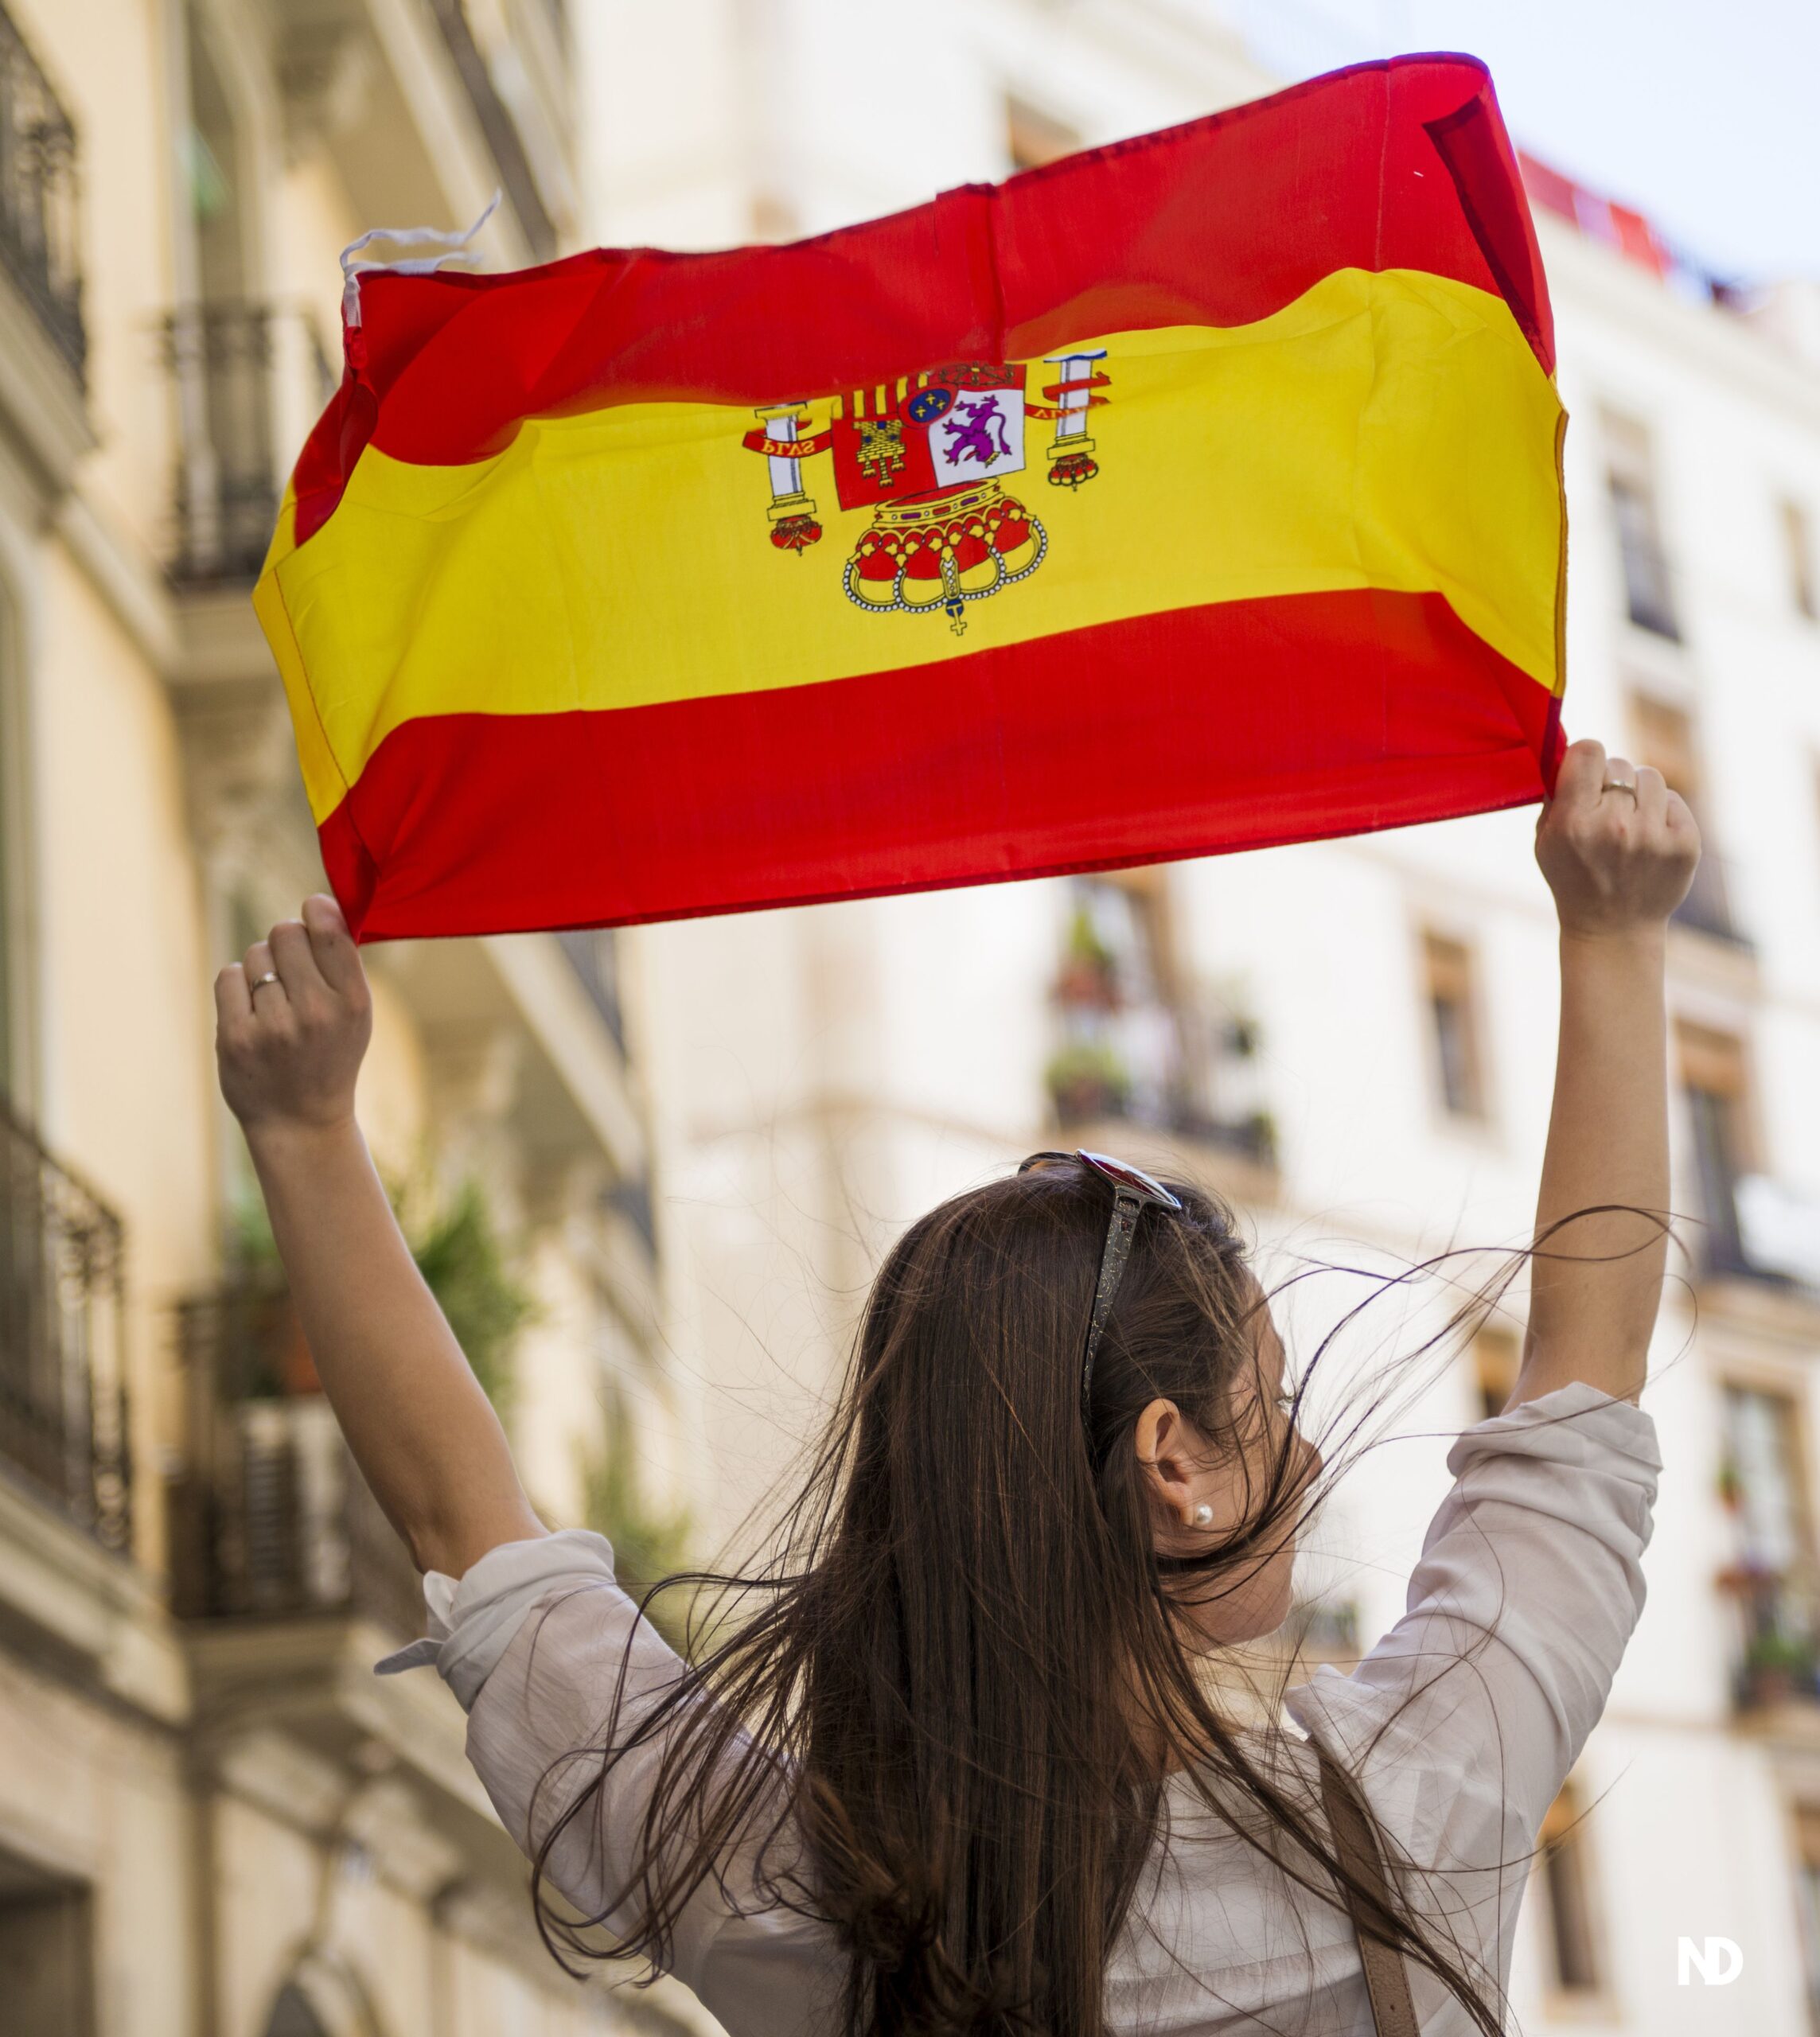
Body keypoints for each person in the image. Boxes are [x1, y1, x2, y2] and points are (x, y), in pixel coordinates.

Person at [214, 739, 1697, 2036]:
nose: (1306, 1456)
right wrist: (1614, 935)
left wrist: (302, 1127)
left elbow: (467, 1529)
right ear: (1169, 1464)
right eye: (1269, 1404)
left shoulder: (789, 1888)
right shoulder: (1420, 1798)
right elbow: (1583, 1372)